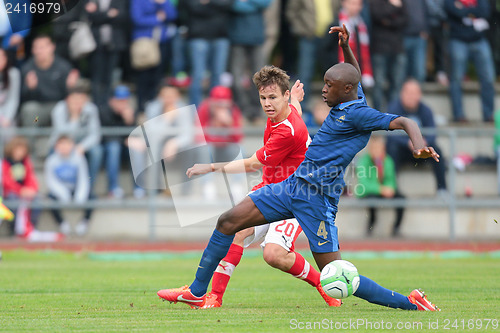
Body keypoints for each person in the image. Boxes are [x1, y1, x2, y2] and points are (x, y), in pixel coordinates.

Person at [157, 26, 440, 311]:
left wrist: (418, 145)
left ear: (346, 90)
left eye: (330, 85)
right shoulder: (353, 95)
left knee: (338, 275)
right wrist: (346, 47)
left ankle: (411, 303)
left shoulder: (360, 114)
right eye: (325, 83)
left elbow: (405, 121)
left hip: (317, 199)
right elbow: (353, 72)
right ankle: (197, 291)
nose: (324, 89)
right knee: (228, 222)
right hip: (292, 186)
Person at [184, 67, 341, 308]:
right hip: (270, 191)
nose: (267, 104)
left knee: (274, 255)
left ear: (285, 96)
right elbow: (295, 111)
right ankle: (214, 297)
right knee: (236, 230)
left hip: (294, 199)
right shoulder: (285, 113)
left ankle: (322, 283)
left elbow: (252, 164)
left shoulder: (288, 130)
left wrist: (210, 167)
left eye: (272, 97)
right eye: (263, 98)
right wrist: (296, 100)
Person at [386, 79, 447, 194]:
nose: (411, 97)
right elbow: (389, 134)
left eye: (414, 93)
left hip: (422, 150)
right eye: (408, 93)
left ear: (419, 95)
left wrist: (424, 142)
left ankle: (442, 189)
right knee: (391, 149)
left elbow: (432, 133)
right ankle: (392, 188)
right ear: (402, 94)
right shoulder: (393, 109)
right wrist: (407, 143)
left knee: (437, 151)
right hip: (403, 149)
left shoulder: (426, 110)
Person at [445, 0, 495, 122]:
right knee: (456, 79)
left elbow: (485, 12)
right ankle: (459, 115)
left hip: (479, 40)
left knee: (488, 78)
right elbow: (453, 11)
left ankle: (489, 114)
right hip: (458, 40)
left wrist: (464, 11)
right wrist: (473, 12)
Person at [48, 85, 102, 197]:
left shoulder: (91, 109)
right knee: (52, 152)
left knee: (97, 151)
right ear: (67, 99)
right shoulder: (59, 109)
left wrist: (82, 146)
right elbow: (62, 135)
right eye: (74, 99)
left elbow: (95, 134)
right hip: (62, 143)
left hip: (82, 144)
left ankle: (89, 189)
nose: (78, 103)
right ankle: (56, 189)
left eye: (81, 99)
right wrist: (74, 118)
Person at [20, 34, 79, 127]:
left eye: (43, 47)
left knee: (69, 108)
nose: (40, 51)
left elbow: (68, 96)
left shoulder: (63, 67)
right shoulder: (27, 69)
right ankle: (32, 139)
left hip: (59, 108)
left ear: (52, 47)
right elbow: (23, 99)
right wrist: (31, 89)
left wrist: (70, 87)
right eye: (37, 48)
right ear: (32, 50)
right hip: (39, 112)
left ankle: (64, 140)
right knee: (31, 112)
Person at [197, 86, 244, 200]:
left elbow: (238, 138)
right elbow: (199, 137)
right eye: (217, 104)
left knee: (239, 149)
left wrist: (229, 123)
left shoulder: (233, 111)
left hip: (226, 149)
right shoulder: (204, 108)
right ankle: (208, 185)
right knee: (203, 148)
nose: (220, 108)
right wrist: (214, 124)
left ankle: (236, 186)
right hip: (211, 150)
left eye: (223, 104)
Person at [130, 0, 177, 112]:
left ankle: (154, 109)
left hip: (162, 43)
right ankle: (141, 109)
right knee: (144, 77)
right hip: (145, 43)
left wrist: (162, 3)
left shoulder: (163, 1)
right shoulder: (138, 1)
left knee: (158, 78)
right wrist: (157, 19)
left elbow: (172, 15)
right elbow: (137, 19)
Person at [184, 0, 233, 107]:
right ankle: (195, 111)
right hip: (198, 36)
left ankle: (214, 113)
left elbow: (228, 4)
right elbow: (192, 6)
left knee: (218, 75)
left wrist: (208, 2)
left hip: (221, 36)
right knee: (198, 75)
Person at [355, 135, 405, 237]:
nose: (376, 151)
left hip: (384, 190)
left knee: (401, 198)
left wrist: (389, 188)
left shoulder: (388, 161)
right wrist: (381, 189)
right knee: (371, 199)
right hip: (369, 192)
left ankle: (396, 227)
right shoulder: (364, 161)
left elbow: (391, 180)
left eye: (378, 148)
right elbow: (364, 184)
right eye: (373, 148)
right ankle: (371, 223)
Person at [45, 135, 92, 236]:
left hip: (75, 189)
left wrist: (80, 196)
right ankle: (62, 223)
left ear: (72, 145)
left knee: (93, 197)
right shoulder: (51, 161)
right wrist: (63, 194)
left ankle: (84, 222)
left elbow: (84, 179)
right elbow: (51, 181)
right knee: (50, 199)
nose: (64, 147)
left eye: (67, 144)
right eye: (61, 144)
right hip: (61, 191)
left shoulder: (79, 158)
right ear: (56, 146)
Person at [85, 0, 129, 107]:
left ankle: (107, 104)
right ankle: (96, 104)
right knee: (96, 76)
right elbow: (90, 17)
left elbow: (122, 17)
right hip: (96, 46)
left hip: (114, 45)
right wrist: (109, 14)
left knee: (111, 76)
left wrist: (100, 16)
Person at [369, 0, 408, 111]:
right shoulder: (377, 2)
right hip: (379, 48)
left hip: (397, 47)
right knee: (379, 83)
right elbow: (377, 15)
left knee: (397, 83)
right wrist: (394, 6)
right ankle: (378, 114)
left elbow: (405, 20)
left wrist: (388, 22)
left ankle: (393, 114)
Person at [98, 85, 136, 199]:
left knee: (136, 148)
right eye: (119, 100)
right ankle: (113, 188)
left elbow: (135, 137)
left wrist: (129, 122)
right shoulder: (103, 111)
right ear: (111, 100)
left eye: (125, 100)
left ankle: (139, 188)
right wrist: (124, 140)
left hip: (124, 149)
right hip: (106, 149)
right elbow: (105, 136)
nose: (122, 103)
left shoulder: (130, 112)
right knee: (114, 147)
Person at [1, 136, 40, 237]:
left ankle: (30, 228)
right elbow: (6, 181)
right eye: (17, 150)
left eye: (22, 150)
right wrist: (20, 190)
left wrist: (31, 189)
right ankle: (13, 230)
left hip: (25, 192)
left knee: (37, 201)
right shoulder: (6, 163)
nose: (20, 153)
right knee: (13, 201)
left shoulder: (26, 163)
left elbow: (31, 178)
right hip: (11, 193)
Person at [0, 48, 21, 139]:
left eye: (2, 56)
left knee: (8, 131)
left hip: (7, 114)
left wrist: (7, 119)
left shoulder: (13, 74)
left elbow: (13, 99)